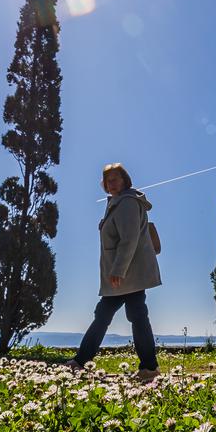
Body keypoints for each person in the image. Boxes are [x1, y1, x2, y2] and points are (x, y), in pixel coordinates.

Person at [68, 163, 161, 380]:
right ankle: (81, 361)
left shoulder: (127, 202)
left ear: (125, 180)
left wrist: (118, 269)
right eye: (108, 180)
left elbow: (129, 239)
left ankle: (148, 367)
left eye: (115, 179)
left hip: (127, 274)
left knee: (125, 315)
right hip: (123, 275)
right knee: (120, 315)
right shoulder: (117, 203)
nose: (111, 183)